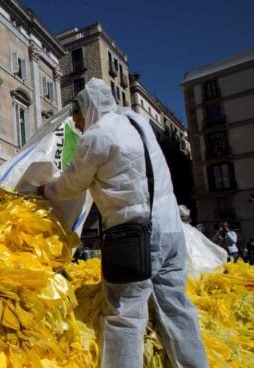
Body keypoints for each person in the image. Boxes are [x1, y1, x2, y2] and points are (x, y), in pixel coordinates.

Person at [35, 78, 208, 367]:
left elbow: (72, 184)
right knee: (176, 307)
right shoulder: (136, 122)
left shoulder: (98, 135)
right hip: (171, 232)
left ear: (87, 108)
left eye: (77, 117)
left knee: (124, 313)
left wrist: (44, 189)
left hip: (134, 235)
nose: (77, 125)